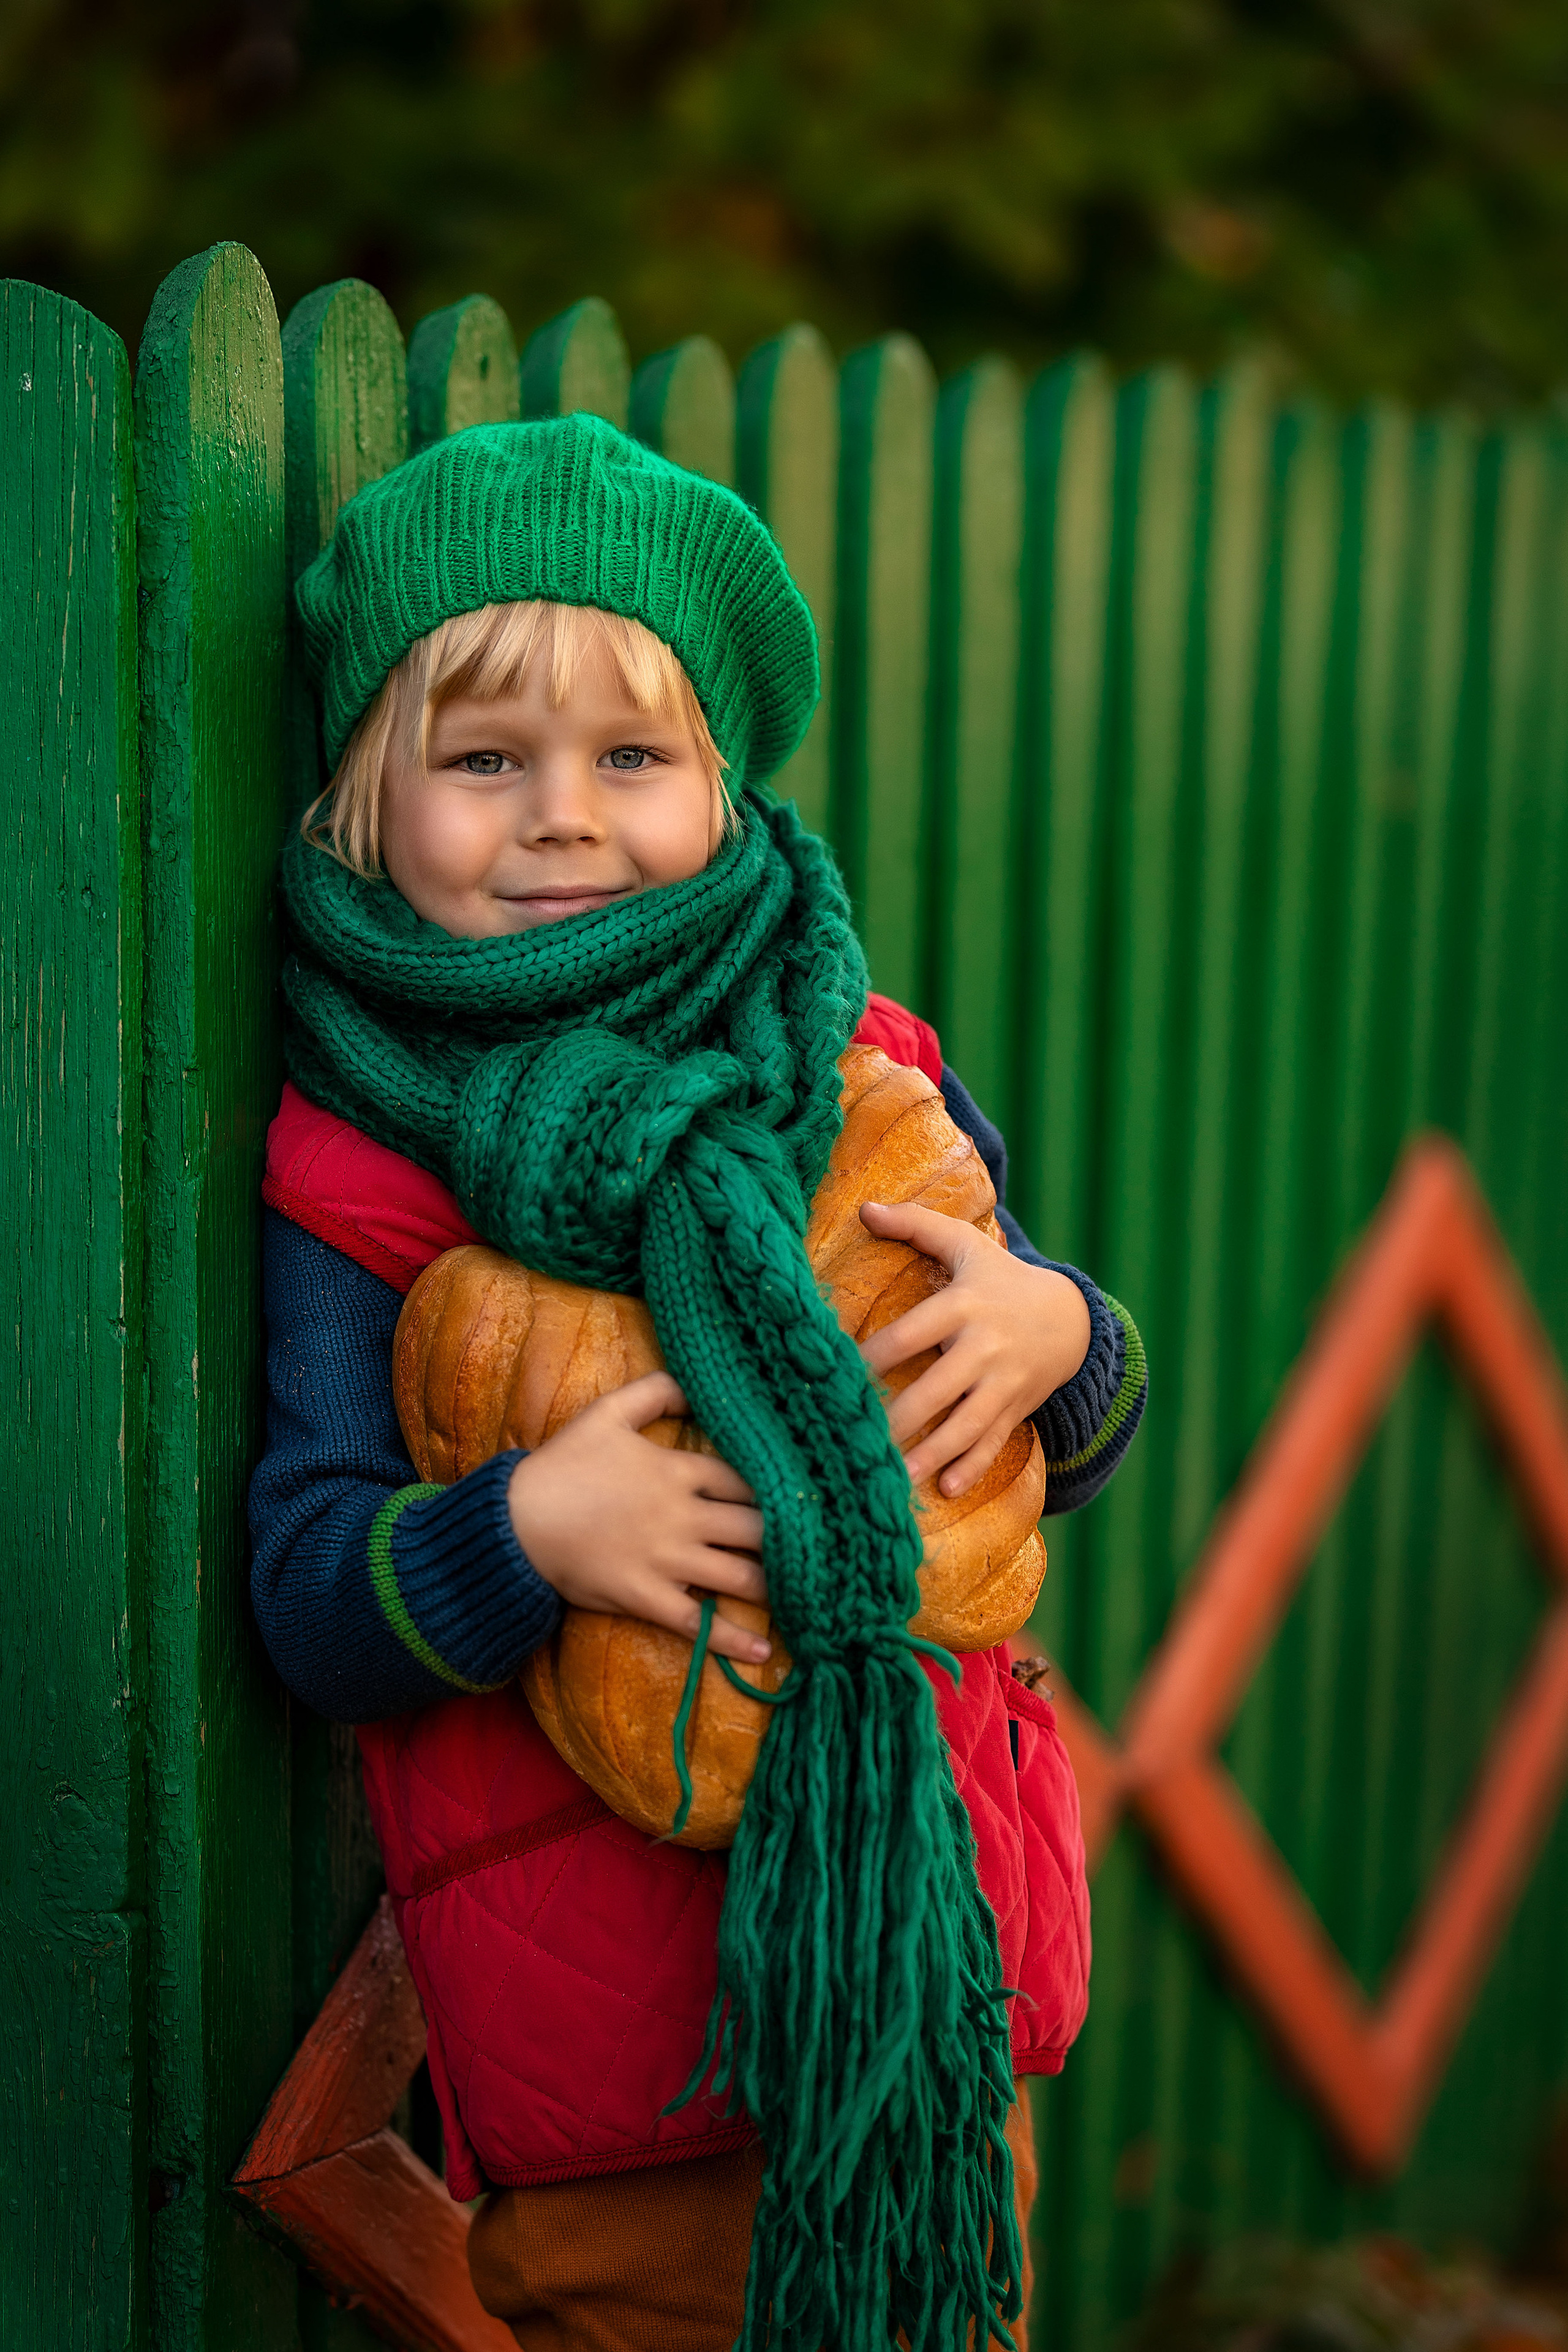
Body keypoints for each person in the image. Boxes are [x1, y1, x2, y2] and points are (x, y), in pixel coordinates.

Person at [249, 413, 1145, 2352]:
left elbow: (1027, 1462)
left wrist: (1063, 1337)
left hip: (921, 1982)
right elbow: (313, 1594)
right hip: (614, 2071)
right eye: (485, 760)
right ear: (365, 796)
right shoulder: (363, 1170)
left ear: (724, 784)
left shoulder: (853, 1061)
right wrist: (529, 1534)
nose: (562, 815)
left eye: (631, 759)